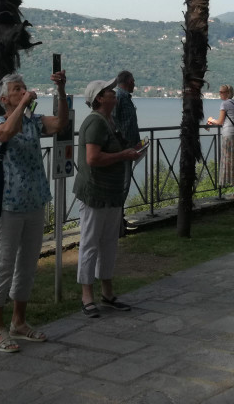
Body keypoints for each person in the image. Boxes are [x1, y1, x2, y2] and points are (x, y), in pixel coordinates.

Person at [0, 70, 68, 353]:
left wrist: (61, 91)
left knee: (28, 264)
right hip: (7, 206)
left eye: (24, 87)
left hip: (34, 201)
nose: (23, 91)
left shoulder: (33, 121)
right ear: (4, 99)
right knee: (3, 263)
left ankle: (18, 322)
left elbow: (60, 124)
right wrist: (23, 104)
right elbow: (5, 134)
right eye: (16, 89)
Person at [74, 78, 144, 318]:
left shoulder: (108, 120)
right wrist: (123, 155)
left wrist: (129, 152)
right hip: (95, 193)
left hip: (111, 193)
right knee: (90, 243)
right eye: (109, 91)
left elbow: (114, 150)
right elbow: (93, 158)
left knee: (108, 244)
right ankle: (86, 296)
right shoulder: (95, 122)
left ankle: (107, 293)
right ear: (99, 98)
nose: (114, 93)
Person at [112, 70, 143, 235]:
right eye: (133, 81)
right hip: (123, 149)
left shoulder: (124, 97)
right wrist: (123, 143)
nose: (135, 84)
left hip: (129, 148)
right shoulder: (119, 97)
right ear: (129, 81)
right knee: (122, 185)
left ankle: (119, 220)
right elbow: (113, 121)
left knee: (124, 184)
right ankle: (117, 223)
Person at [206, 84, 234, 199]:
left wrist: (211, 119)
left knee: (231, 163)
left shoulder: (224, 104)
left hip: (229, 137)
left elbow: (220, 122)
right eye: (219, 92)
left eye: (222, 92)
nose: (220, 94)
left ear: (228, 93)